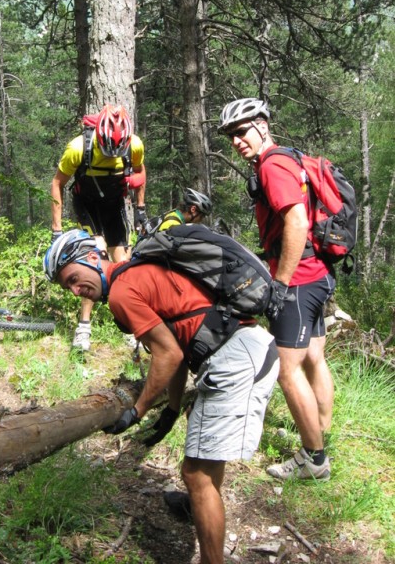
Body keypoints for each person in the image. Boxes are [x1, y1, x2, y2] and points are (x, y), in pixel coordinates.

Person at [43, 230, 278, 564]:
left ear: (93, 258)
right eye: (68, 286)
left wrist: (136, 412)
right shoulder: (138, 274)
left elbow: (167, 355)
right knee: (202, 469)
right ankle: (200, 505)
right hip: (250, 347)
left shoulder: (123, 293)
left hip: (235, 361)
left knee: (195, 474)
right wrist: (169, 409)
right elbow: (177, 346)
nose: (75, 289)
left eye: (74, 278)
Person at [219, 98, 335, 481]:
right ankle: (320, 433)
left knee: (286, 372)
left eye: (241, 131)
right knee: (313, 357)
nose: (236, 141)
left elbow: (297, 222)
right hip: (317, 274)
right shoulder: (287, 158)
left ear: (262, 125)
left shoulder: (272, 166)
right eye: (230, 136)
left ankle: (314, 460)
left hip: (299, 281)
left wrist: (280, 285)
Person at [50, 104, 146, 351]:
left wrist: (141, 208)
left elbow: (140, 171)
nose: (113, 154)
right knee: (96, 257)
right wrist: (57, 228)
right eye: (107, 149)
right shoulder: (78, 148)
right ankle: (84, 327)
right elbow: (57, 183)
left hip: (114, 203)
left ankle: (129, 321)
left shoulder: (134, 145)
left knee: (123, 261)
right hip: (87, 204)